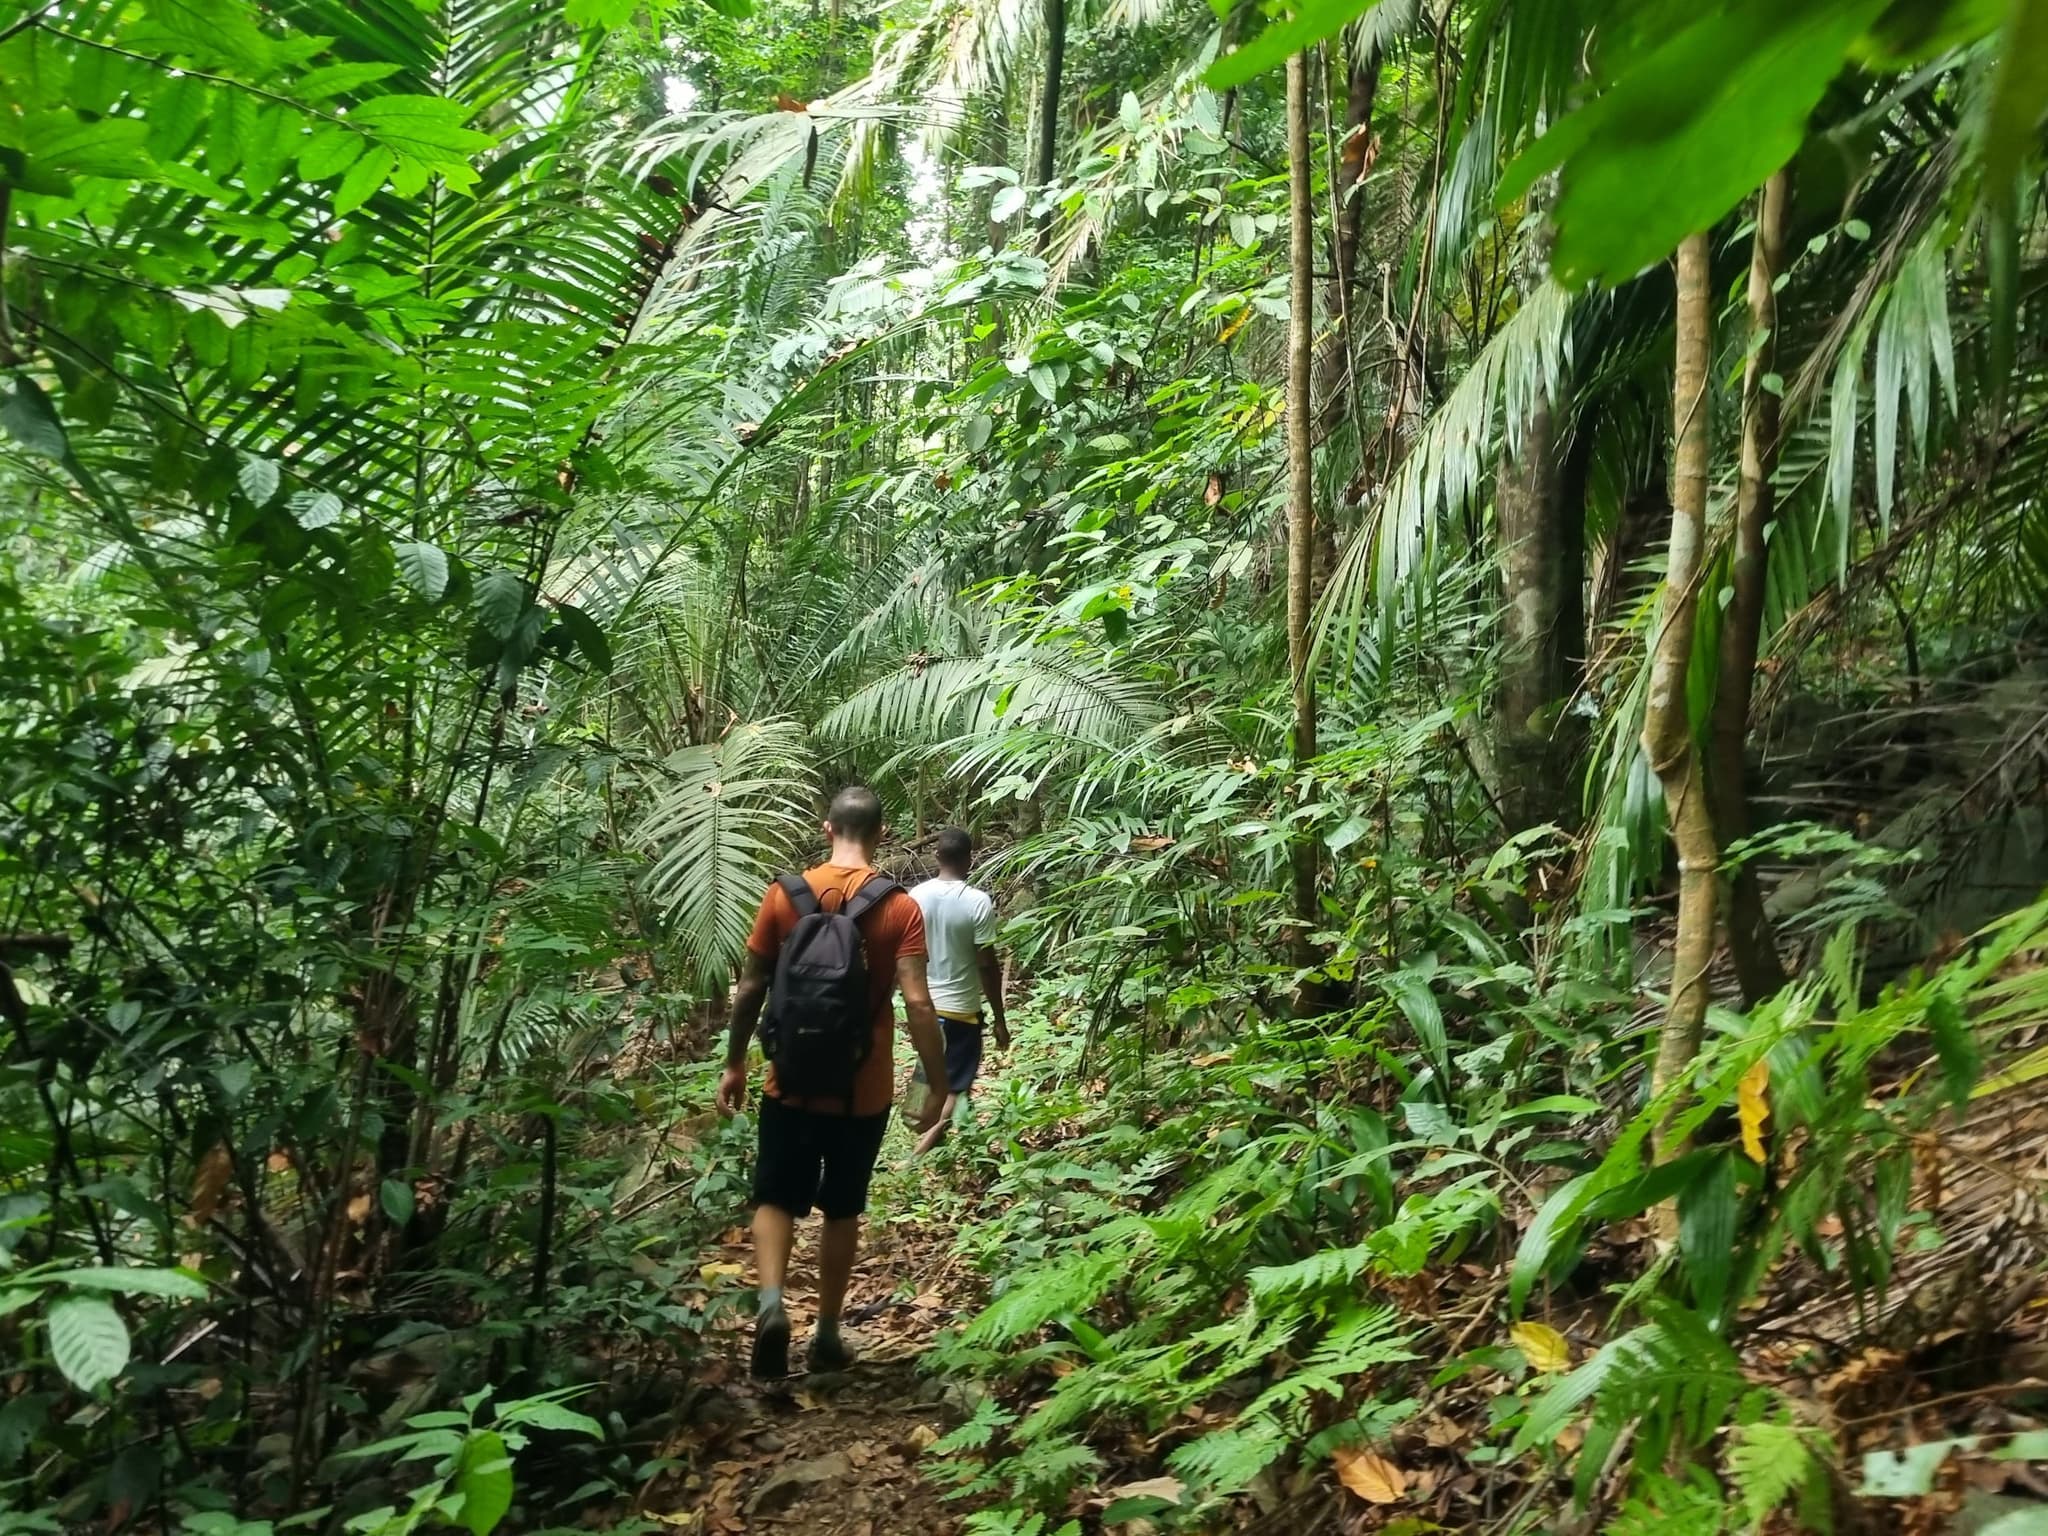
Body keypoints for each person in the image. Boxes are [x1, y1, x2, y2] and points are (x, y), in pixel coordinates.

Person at [716, 786, 948, 1379]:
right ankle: (825, 1334)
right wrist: (937, 1079)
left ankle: (771, 1309)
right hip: (861, 1087)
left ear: (827, 830)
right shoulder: (899, 908)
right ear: (880, 834)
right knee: (842, 1207)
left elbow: (749, 989)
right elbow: (918, 1003)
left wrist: (735, 1061)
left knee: (775, 1196)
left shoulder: (783, 895)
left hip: (787, 1079)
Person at [907, 826, 1010, 1156]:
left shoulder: (915, 897)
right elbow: (986, 964)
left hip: (924, 1005)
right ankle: (922, 1150)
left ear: (936, 856)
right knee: (958, 1085)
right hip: (962, 1009)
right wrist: (999, 1018)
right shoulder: (978, 903)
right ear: (970, 859)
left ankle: (917, 1130)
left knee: (928, 1070)